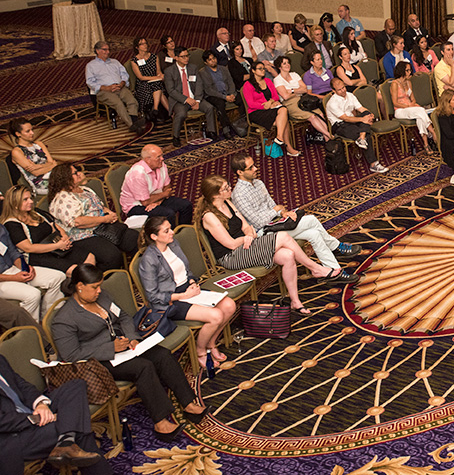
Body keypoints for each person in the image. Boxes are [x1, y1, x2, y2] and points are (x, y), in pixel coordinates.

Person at [51, 264, 207, 443]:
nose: (99, 290)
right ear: (79, 286)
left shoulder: (103, 297)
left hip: (125, 347)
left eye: (100, 286)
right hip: (100, 360)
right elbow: (71, 355)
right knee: (143, 367)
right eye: (94, 287)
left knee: (162, 355)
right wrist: (111, 348)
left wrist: (132, 338)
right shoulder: (64, 319)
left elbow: (123, 317)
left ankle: (188, 404)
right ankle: (161, 422)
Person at [194, 177, 345, 315]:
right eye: (225, 189)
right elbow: (231, 244)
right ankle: (315, 268)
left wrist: (248, 235)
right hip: (231, 256)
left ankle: (295, 301)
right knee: (284, 237)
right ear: (215, 195)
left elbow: (246, 227)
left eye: (228, 186)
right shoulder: (209, 216)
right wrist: (246, 237)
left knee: (288, 255)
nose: (230, 189)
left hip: (247, 246)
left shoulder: (228, 202)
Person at [229, 154, 361, 280]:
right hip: (264, 234)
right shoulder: (239, 195)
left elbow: (273, 205)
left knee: (314, 234)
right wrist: (276, 210)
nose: (256, 169)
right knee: (311, 220)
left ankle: (334, 270)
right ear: (240, 172)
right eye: (250, 167)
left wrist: (282, 213)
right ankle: (336, 247)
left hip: (276, 223)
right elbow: (258, 221)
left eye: (254, 165)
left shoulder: (258, 183)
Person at [137, 216, 237, 369]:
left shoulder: (173, 244)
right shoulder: (149, 259)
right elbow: (153, 296)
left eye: (170, 228)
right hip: (172, 301)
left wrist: (191, 282)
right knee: (216, 316)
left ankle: (211, 342)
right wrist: (184, 296)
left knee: (229, 305)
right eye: (167, 231)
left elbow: (186, 269)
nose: (172, 232)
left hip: (188, 290)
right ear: (154, 237)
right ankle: (201, 351)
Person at [0, 354, 111, 474]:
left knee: (75, 386)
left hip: (28, 410)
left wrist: (40, 404)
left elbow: (21, 385)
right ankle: (68, 441)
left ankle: (65, 442)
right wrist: (35, 418)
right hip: (13, 436)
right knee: (76, 427)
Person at [48, 164, 137, 267]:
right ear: (65, 177)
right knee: (112, 256)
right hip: (84, 235)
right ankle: (106, 279)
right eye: (75, 173)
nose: (79, 174)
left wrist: (109, 213)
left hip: (103, 226)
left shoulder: (84, 189)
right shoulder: (62, 199)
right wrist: (104, 219)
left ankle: (137, 273)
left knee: (134, 238)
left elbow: (99, 205)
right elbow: (78, 222)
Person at [3, 185, 98, 275]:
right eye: (25, 200)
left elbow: (54, 225)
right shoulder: (12, 224)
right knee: (75, 271)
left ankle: (87, 286)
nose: (31, 201)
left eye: (30, 198)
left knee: (90, 258)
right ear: (15, 203)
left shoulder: (36, 212)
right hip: (38, 255)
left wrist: (64, 237)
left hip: (56, 246)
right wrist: (57, 245)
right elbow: (28, 248)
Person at [0, 222, 62, 322]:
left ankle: (48, 322)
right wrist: (14, 278)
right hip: (2, 280)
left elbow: (12, 252)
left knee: (58, 277)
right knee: (33, 295)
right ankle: (32, 330)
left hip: (12, 269)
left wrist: (25, 268)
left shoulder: (1, 228)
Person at [326, 79, 389, 174]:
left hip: (352, 121)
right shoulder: (332, 103)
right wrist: (363, 120)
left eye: (343, 87)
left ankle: (361, 138)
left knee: (366, 113)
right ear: (333, 91)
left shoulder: (350, 95)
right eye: (339, 90)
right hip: (340, 126)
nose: (343, 91)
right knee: (368, 134)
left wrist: (369, 114)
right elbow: (345, 118)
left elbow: (361, 108)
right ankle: (373, 164)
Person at [120, 145, 193, 226]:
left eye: (162, 155)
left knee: (186, 205)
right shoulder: (138, 174)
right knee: (168, 214)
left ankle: (183, 233)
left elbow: (167, 188)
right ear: (148, 160)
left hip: (156, 199)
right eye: (158, 157)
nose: (162, 158)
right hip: (136, 206)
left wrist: (159, 201)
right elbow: (145, 202)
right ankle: (171, 237)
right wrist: (163, 195)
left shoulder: (161, 165)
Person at [162, 46, 218, 147]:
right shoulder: (169, 71)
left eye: (187, 56)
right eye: (183, 57)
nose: (186, 58)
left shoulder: (193, 67)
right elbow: (171, 91)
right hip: (180, 100)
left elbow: (199, 84)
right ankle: (176, 137)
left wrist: (197, 100)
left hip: (194, 97)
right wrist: (186, 99)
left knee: (209, 108)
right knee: (181, 114)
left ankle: (211, 131)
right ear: (176, 58)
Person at [241, 65, 301, 157]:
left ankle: (280, 138)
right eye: (260, 69)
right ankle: (287, 146)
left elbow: (276, 97)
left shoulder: (268, 81)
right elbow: (251, 104)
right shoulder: (248, 85)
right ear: (253, 71)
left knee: (283, 111)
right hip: (256, 112)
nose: (263, 70)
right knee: (284, 118)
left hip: (270, 108)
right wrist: (265, 106)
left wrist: (271, 102)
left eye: (263, 69)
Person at [86, 41, 144, 132]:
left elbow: (124, 74)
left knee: (132, 101)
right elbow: (90, 82)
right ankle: (132, 125)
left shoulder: (115, 62)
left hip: (119, 87)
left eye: (108, 49)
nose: (108, 52)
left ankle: (134, 122)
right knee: (118, 104)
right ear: (97, 51)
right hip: (104, 91)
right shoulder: (91, 66)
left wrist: (122, 83)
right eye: (104, 50)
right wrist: (106, 88)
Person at [273, 56, 332, 141]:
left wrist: (292, 90)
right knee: (312, 116)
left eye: (288, 62)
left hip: (303, 100)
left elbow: (305, 89)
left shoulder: (294, 75)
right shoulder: (277, 79)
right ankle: (329, 136)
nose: (287, 65)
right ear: (279, 67)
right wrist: (297, 90)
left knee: (320, 114)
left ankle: (328, 141)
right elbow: (285, 96)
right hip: (290, 104)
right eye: (284, 63)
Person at [8, 120, 56, 197]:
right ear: (18, 134)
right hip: (40, 183)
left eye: (32, 130)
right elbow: (36, 173)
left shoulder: (39, 144)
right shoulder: (17, 151)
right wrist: (50, 165)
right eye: (28, 131)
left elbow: (53, 163)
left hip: (52, 175)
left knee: (73, 176)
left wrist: (37, 166)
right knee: (69, 182)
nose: (32, 133)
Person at [390, 63, 432, 152]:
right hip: (400, 110)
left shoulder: (409, 82)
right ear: (402, 71)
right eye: (407, 70)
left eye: (410, 70)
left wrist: (411, 104)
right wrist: (408, 106)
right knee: (421, 110)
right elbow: (395, 103)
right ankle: (432, 131)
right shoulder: (395, 84)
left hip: (411, 108)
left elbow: (413, 99)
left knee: (420, 117)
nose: (410, 72)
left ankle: (426, 144)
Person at [130, 36, 170, 123]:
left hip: (155, 81)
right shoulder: (134, 61)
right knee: (158, 89)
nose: (145, 46)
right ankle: (167, 112)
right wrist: (156, 78)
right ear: (137, 47)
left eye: (145, 43)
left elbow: (158, 71)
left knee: (157, 86)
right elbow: (140, 77)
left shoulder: (154, 57)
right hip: (143, 84)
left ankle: (156, 109)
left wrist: (160, 76)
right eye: (142, 44)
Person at [199, 50, 237, 138]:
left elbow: (230, 82)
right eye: (210, 60)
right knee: (220, 104)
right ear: (206, 62)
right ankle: (225, 129)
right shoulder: (203, 72)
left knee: (241, 99)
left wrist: (232, 94)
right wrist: (225, 97)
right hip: (213, 95)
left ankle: (242, 124)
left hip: (227, 93)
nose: (213, 61)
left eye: (214, 58)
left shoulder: (223, 68)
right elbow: (209, 90)